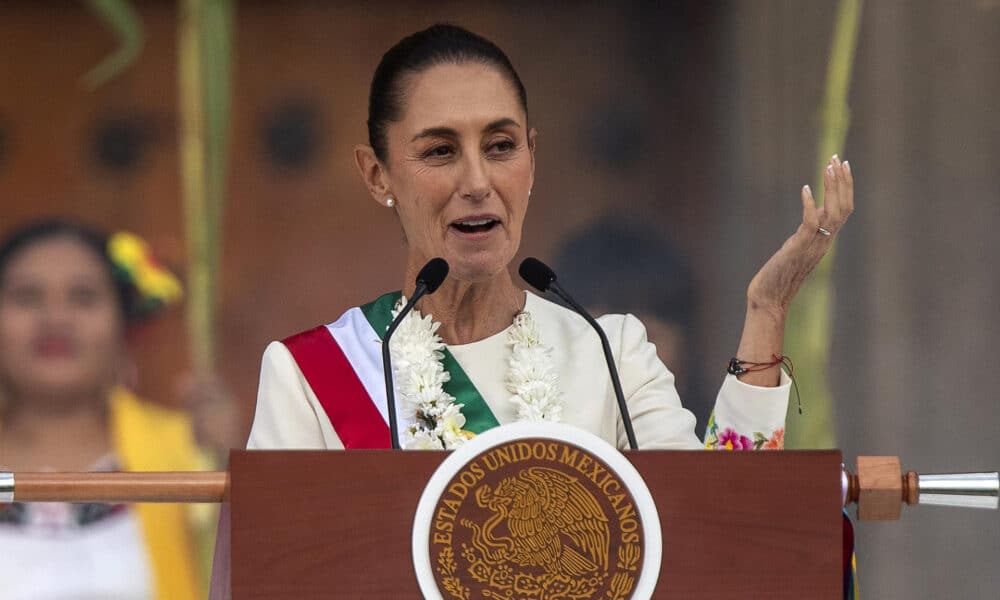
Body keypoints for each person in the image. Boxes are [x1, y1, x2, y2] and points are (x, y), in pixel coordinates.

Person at [247, 24, 853, 452]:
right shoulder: (308, 377)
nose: (478, 182)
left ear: (531, 161)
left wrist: (766, 310)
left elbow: (715, 525)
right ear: (377, 174)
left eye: (501, 146)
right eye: (440, 152)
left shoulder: (609, 353)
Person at [0, 220, 237, 600]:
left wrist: (237, 464)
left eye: (83, 297)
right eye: (27, 297)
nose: (56, 319)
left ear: (123, 323)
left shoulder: (190, 449)